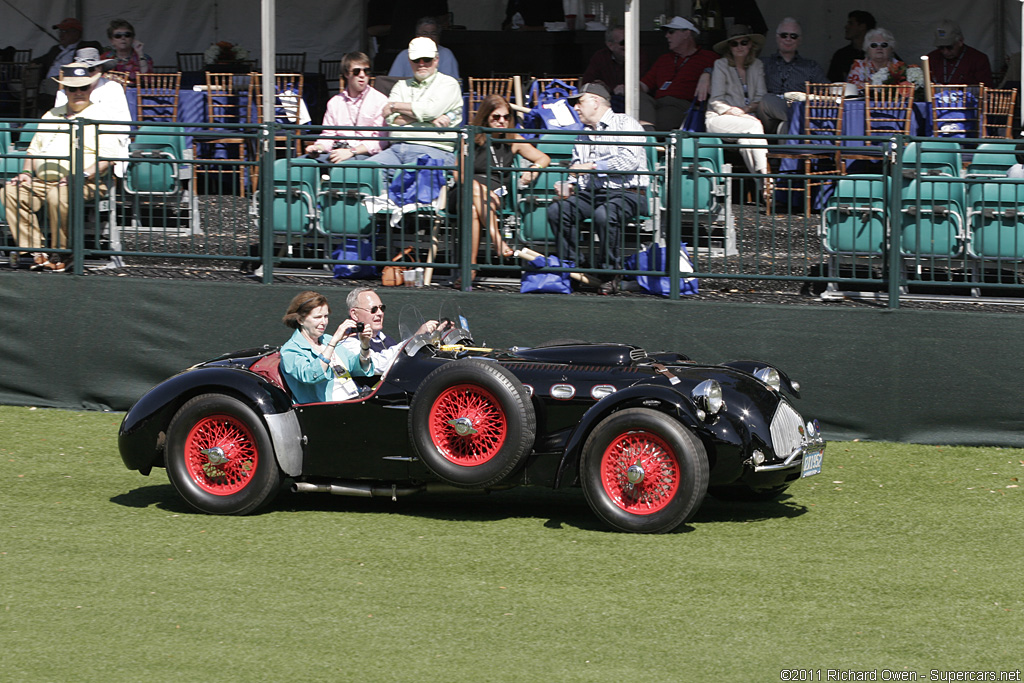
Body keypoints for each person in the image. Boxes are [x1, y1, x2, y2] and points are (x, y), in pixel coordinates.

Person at [0, 63, 128, 272]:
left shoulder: (101, 115)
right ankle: (34, 251)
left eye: (83, 88)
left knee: (59, 195)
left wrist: (81, 175)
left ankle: (63, 253)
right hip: (42, 181)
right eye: (72, 89)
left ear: (90, 89)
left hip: (86, 181)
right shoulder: (51, 114)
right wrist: (25, 173)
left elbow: (107, 158)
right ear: (64, 91)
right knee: (10, 192)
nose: (78, 93)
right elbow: (32, 150)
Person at [546, 83, 648, 294]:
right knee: (557, 210)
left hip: (629, 193)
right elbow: (577, 170)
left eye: (579, 102)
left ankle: (610, 273)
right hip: (592, 194)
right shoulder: (582, 134)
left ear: (595, 101)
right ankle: (575, 269)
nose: (575, 107)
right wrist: (570, 185)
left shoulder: (625, 123)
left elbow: (629, 162)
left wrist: (593, 167)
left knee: (605, 214)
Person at [451, 95, 550, 281]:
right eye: (496, 117)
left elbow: (543, 158)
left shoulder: (513, 139)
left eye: (505, 117)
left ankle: (469, 271)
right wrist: (476, 188)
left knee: (474, 208)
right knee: (473, 190)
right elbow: (460, 174)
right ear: (486, 116)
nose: (502, 121)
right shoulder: (471, 137)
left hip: (496, 192)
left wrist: (533, 170)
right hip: (465, 190)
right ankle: (497, 240)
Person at [375, 37, 463, 184]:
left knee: (412, 179)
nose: (421, 64)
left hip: (432, 149)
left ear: (436, 60)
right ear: (410, 61)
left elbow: (430, 110)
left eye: (427, 59)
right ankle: (383, 205)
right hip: (396, 149)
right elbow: (390, 119)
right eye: (416, 60)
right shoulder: (401, 85)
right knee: (365, 171)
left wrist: (395, 106)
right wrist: (428, 118)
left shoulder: (449, 84)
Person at [280, 290, 375, 403]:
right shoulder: (290, 349)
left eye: (325, 316)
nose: (324, 322)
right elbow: (309, 376)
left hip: (354, 399)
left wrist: (364, 346)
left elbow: (355, 367)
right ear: (300, 320)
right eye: (317, 317)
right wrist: (333, 343)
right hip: (325, 408)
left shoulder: (326, 339)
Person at [705, 25, 770, 182]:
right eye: (734, 44)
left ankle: (765, 193)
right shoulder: (721, 64)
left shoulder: (757, 65)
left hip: (746, 119)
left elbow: (761, 95)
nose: (739, 47)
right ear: (729, 48)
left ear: (750, 45)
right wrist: (734, 111)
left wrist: (746, 110)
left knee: (746, 143)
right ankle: (768, 177)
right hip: (719, 118)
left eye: (744, 42)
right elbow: (716, 100)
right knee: (754, 126)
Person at [305, 52, 388, 163]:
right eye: (356, 71)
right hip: (336, 152)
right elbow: (328, 136)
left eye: (366, 71)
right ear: (346, 74)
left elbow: (380, 141)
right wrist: (318, 148)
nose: (362, 75)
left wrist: (351, 151)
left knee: (343, 168)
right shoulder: (335, 102)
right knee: (301, 164)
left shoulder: (380, 100)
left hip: (364, 155)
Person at [639, 16, 716, 131]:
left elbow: (725, 70)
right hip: (658, 103)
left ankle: (646, 135)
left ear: (686, 34)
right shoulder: (664, 59)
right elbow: (645, 85)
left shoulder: (709, 58)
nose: (667, 36)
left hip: (682, 106)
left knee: (658, 118)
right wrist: (628, 88)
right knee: (636, 96)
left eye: (671, 32)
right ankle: (648, 133)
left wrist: (707, 73)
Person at [339, 287, 438, 375]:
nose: (380, 313)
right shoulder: (349, 342)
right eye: (373, 309)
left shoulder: (385, 339)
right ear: (354, 314)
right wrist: (415, 339)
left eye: (382, 308)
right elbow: (376, 365)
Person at [757, 18, 826, 134]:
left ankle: (794, 125)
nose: (788, 39)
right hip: (767, 119)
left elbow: (825, 92)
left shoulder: (811, 66)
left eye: (793, 36)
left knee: (785, 127)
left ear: (800, 40)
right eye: (784, 35)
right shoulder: (762, 64)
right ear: (777, 37)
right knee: (766, 99)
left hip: (795, 114)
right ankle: (798, 119)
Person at [30, 17, 102, 113]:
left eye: (65, 32)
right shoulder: (56, 49)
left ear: (76, 33)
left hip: (70, 80)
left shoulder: (86, 46)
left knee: (44, 88)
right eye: (60, 31)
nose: (61, 35)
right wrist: (33, 63)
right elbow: (42, 59)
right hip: (48, 82)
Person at [581, 25, 650, 113]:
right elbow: (588, 84)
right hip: (606, 104)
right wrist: (606, 88)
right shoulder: (600, 57)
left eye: (631, 41)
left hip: (635, 103)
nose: (629, 45)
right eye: (624, 42)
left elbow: (644, 83)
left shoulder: (640, 56)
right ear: (610, 45)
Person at [388, 17, 460, 82]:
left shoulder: (446, 54)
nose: (429, 37)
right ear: (417, 36)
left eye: (433, 34)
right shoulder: (404, 54)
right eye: (425, 34)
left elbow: (450, 82)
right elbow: (392, 81)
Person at [925, 20, 993, 87]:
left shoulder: (978, 59)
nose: (945, 52)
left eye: (949, 47)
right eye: (941, 48)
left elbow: (986, 89)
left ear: (960, 41)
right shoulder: (931, 58)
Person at [99, 19, 152, 86]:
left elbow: (148, 80)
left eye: (127, 35)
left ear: (132, 38)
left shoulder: (144, 57)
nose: (123, 38)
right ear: (111, 40)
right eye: (118, 36)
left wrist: (140, 53)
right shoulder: (105, 58)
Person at [827, 10, 875, 82]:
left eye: (851, 23)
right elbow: (833, 83)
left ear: (862, 26)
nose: (846, 27)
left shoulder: (881, 53)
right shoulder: (841, 55)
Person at [846, 28, 900, 92]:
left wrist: (869, 84)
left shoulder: (899, 66)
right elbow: (852, 87)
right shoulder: (858, 66)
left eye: (884, 45)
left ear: (891, 48)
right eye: (874, 45)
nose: (879, 48)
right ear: (867, 49)